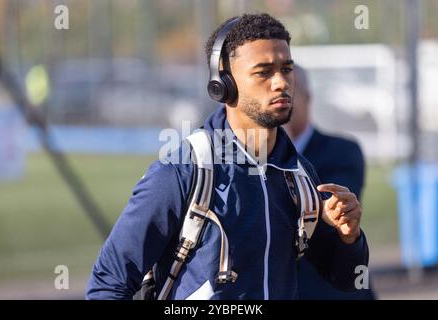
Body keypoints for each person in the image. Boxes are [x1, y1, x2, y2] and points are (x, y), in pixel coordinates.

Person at [86, 13, 369, 300]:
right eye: (264, 72)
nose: (281, 82)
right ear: (223, 83)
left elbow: (346, 279)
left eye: (286, 69)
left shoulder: (298, 173)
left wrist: (349, 237)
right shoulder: (182, 171)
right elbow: (109, 284)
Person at [283, 64, 375, 299]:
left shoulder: (341, 151)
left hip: (331, 290)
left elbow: (329, 211)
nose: (283, 103)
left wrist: (282, 149)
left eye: (290, 93)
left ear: (307, 97)